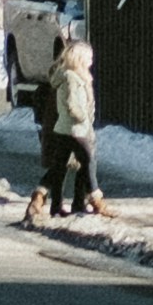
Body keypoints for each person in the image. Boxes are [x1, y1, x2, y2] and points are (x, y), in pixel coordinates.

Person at [46, 13, 102, 216]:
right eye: (88, 57)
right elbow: (73, 104)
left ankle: (58, 204)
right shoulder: (71, 77)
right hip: (75, 128)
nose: (91, 60)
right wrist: (83, 118)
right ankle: (95, 199)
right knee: (88, 160)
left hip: (66, 128)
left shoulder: (76, 76)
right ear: (79, 58)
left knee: (60, 168)